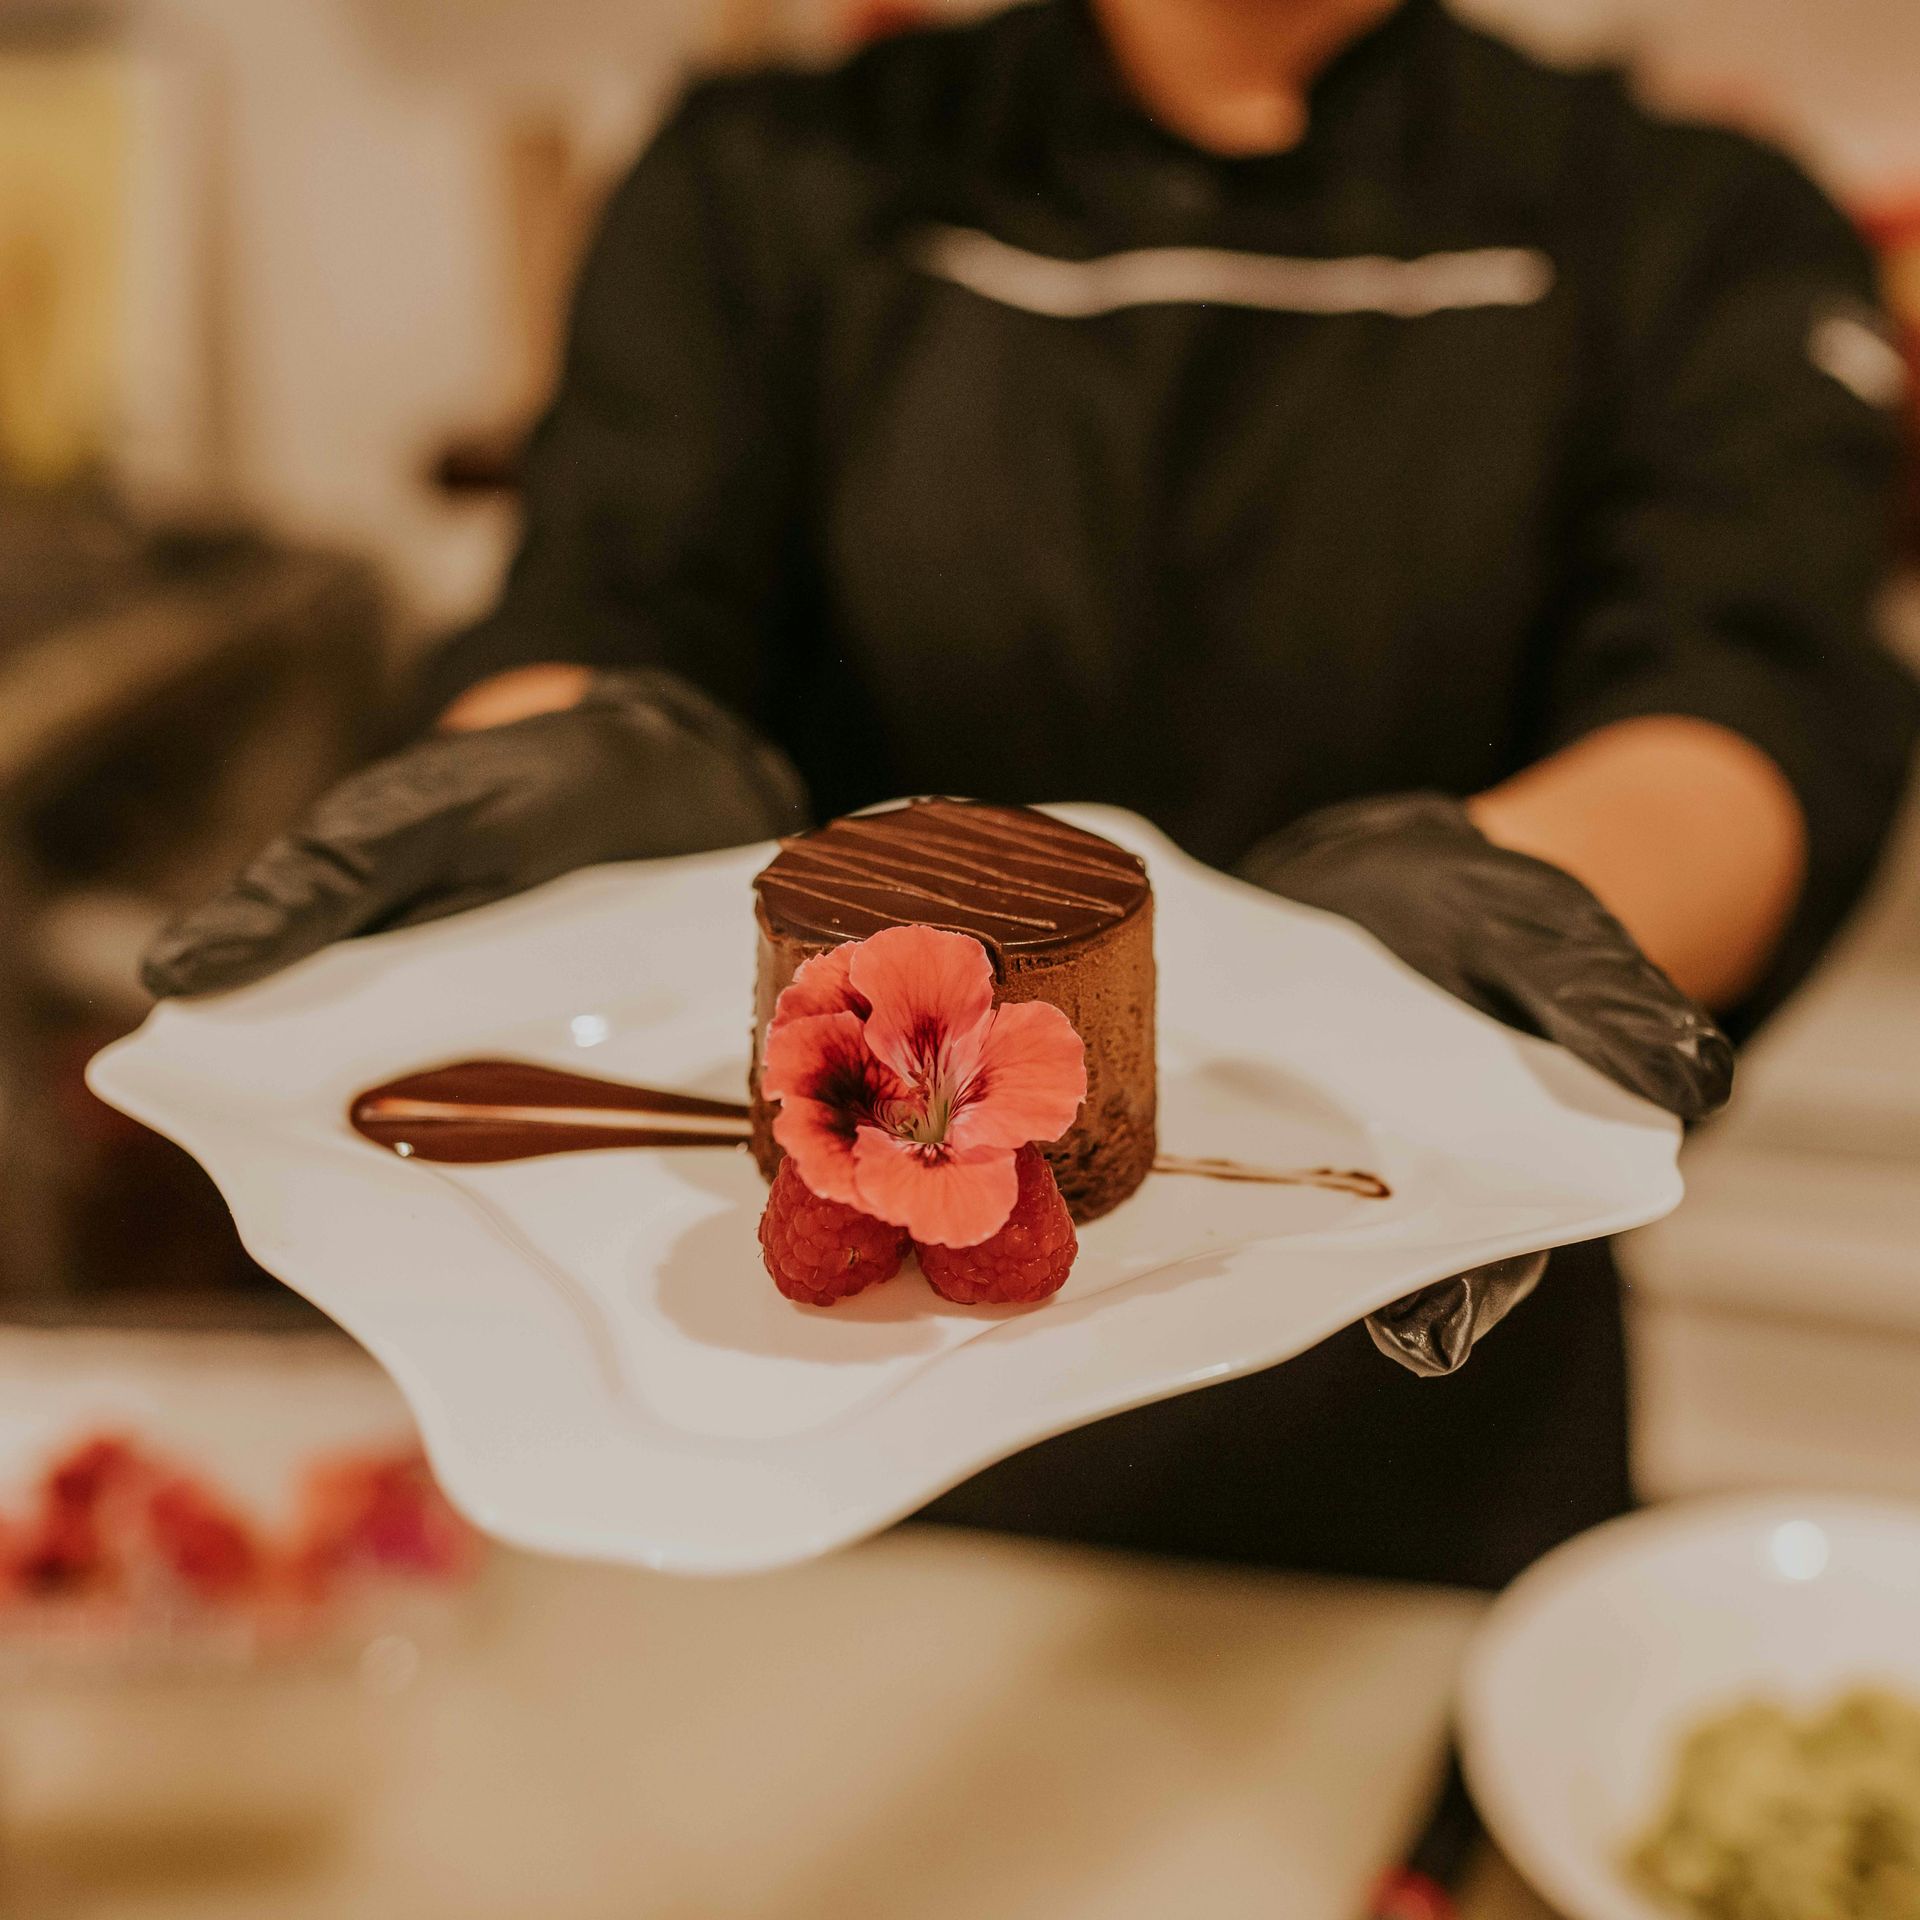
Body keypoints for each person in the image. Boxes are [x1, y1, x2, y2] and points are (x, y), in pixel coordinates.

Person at [145, 0, 1917, 1586]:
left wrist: (1489, 909)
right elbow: (605, 595)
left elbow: (1749, 683)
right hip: (796, 1402)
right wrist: (569, 750)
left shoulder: (1687, 210)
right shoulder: (764, 172)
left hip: (1401, 1402)